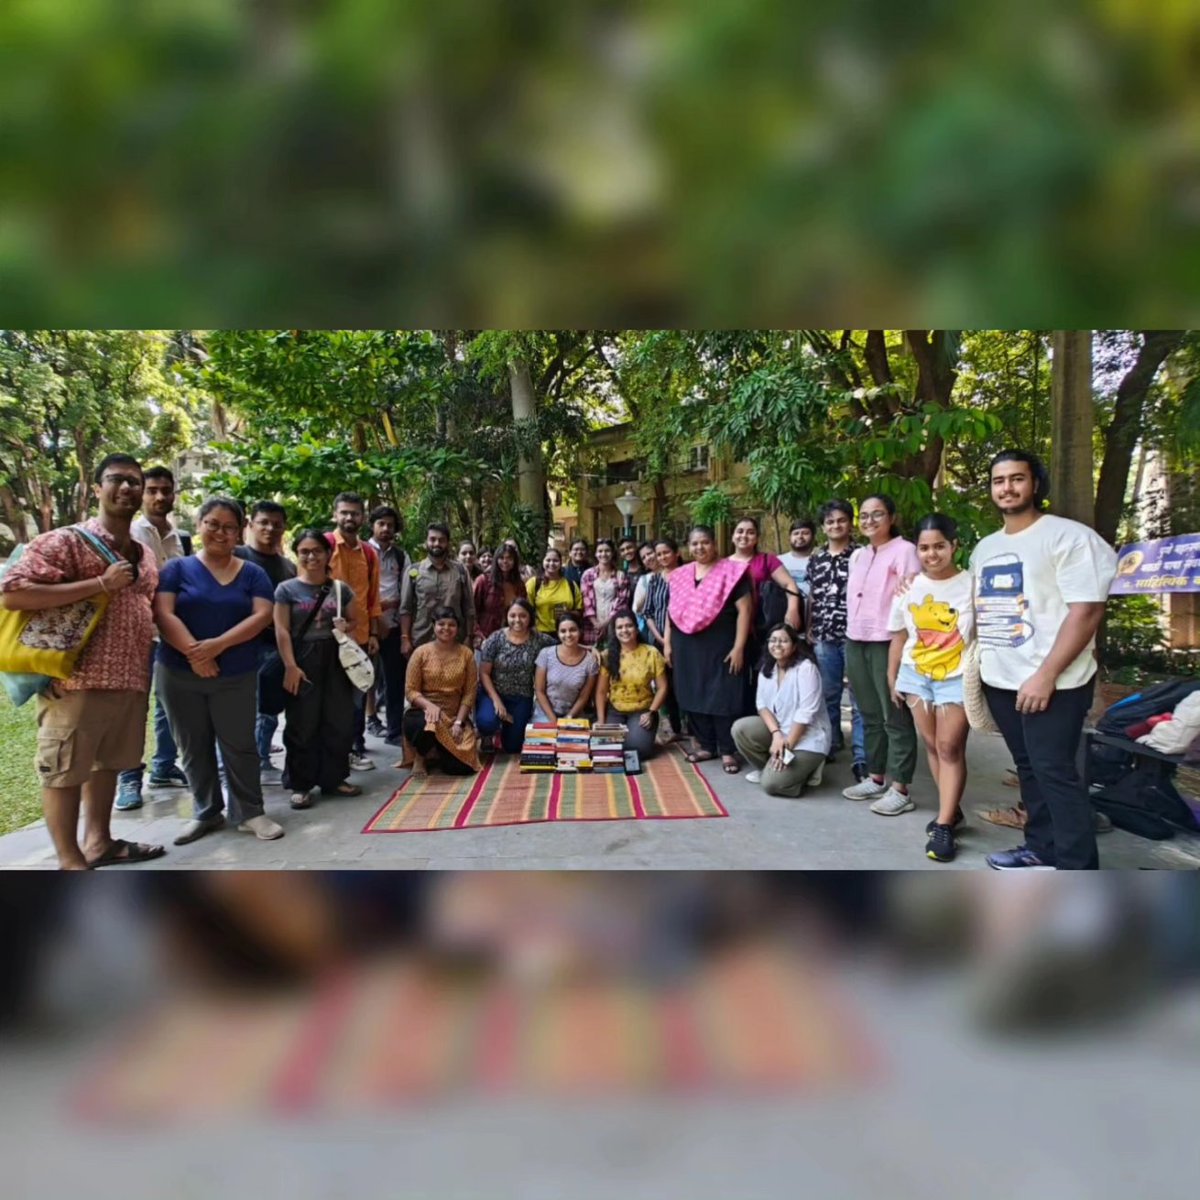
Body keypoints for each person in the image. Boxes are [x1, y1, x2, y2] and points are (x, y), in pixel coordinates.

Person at [1, 453, 165, 869]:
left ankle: (99, 842)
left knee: (106, 765)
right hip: (74, 681)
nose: (126, 488)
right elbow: (13, 593)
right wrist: (99, 584)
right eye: (116, 479)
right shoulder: (67, 541)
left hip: (127, 680)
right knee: (64, 771)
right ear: (97, 488)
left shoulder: (144, 553)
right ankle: (70, 860)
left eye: (134, 482)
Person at [974, 450, 1117, 871]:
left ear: (1035, 483)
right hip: (1002, 681)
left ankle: (1077, 867)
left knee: (1055, 773)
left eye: (1016, 478)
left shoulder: (1070, 538)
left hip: (1055, 682)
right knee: (1028, 769)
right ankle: (1041, 848)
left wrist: (1046, 675)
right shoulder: (986, 547)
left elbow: (1086, 611)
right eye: (998, 480)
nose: (1007, 488)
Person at [155, 497, 283, 845]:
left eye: (229, 527)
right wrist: (195, 654)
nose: (220, 532)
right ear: (199, 525)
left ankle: (250, 812)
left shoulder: (253, 573)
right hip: (178, 673)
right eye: (212, 524)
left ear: (239, 532)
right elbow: (163, 613)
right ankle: (206, 811)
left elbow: (262, 615)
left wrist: (217, 646)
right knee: (192, 745)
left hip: (236, 674)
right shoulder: (176, 569)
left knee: (240, 744)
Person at [886, 514, 974, 863]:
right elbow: (899, 636)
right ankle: (950, 811)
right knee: (933, 745)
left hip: (957, 675)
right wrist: (892, 676)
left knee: (950, 747)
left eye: (939, 546)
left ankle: (943, 825)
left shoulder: (972, 585)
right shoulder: (908, 588)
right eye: (924, 548)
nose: (931, 554)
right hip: (915, 675)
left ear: (954, 546)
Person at [840, 494, 921, 814]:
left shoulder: (905, 551)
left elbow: (911, 598)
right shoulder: (858, 555)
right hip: (855, 638)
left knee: (894, 714)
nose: (869, 520)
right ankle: (875, 778)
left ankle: (900, 788)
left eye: (877, 514)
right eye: (864, 515)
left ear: (892, 518)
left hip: (888, 641)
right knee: (868, 713)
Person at [116, 464, 189, 810]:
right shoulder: (129, 534)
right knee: (133, 707)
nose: (160, 497)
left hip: (171, 635)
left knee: (169, 704)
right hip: (136, 635)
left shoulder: (180, 538)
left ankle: (163, 766)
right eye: (152, 490)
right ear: (142, 494)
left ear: (174, 494)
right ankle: (128, 777)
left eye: (166, 490)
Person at [273, 530, 361, 808]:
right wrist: (290, 665)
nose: (311, 557)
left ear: (327, 554)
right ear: (296, 554)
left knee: (338, 719)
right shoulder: (286, 590)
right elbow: (282, 630)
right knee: (302, 722)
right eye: (305, 551)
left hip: (335, 657)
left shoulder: (341, 589)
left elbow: (354, 620)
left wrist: (346, 627)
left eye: (317, 551)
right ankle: (300, 784)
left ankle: (334, 778)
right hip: (302, 658)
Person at [664, 524, 754, 773]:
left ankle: (727, 750)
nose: (700, 547)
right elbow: (671, 612)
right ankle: (706, 745)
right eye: (694, 543)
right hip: (686, 646)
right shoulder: (680, 575)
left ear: (714, 544)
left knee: (723, 695)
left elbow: (745, 610)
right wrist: (668, 643)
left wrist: (739, 647)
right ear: (688, 547)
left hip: (721, 645)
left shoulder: (732, 572)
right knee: (692, 693)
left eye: (704, 542)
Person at [233, 501, 297, 777]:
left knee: (269, 708)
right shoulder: (236, 556)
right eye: (264, 522)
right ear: (250, 525)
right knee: (236, 709)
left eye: (277, 524)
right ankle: (233, 765)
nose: (270, 529)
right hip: (237, 645)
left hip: (275, 647)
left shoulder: (288, 567)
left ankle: (261, 758)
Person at [732, 623, 831, 797]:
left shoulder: (806, 669)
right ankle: (772, 769)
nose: (777, 645)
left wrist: (787, 747)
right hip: (781, 731)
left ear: (794, 645)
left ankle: (803, 773)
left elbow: (806, 713)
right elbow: (761, 705)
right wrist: (776, 734)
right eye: (773, 640)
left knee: (771, 785)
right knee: (740, 728)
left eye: (784, 641)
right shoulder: (767, 668)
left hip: (808, 737)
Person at [807, 500, 867, 779]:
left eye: (841, 520)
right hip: (823, 635)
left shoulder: (862, 555)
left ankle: (862, 757)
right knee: (828, 694)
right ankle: (829, 744)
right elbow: (813, 596)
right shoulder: (816, 559)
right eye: (830, 522)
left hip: (855, 636)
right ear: (823, 527)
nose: (835, 525)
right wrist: (810, 626)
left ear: (850, 523)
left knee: (858, 697)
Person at [326, 493, 382, 772]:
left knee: (357, 696)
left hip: (358, 638)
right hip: (326, 638)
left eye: (355, 513)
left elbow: (373, 598)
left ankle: (355, 748)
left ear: (363, 518)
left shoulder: (369, 554)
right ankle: (331, 754)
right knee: (329, 699)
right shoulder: (324, 545)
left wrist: (373, 634)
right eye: (345, 512)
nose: (349, 517)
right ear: (335, 514)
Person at [399, 607, 482, 776]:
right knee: (427, 724)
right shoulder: (421, 653)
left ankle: (438, 751)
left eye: (451, 625)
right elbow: (410, 690)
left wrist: (459, 722)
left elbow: (469, 693)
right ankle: (420, 757)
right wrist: (429, 706)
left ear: (457, 628)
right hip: (423, 712)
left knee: (461, 768)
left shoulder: (466, 654)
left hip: (453, 715)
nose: (446, 628)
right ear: (433, 626)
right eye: (441, 624)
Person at [476, 598, 553, 754]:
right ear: (507, 616)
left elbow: (563, 646)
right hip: (493, 693)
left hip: (521, 697)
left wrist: (588, 649)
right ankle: (487, 734)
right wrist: (497, 701)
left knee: (513, 747)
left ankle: (506, 726)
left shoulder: (539, 640)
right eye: (513, 615)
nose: (517, 620)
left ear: (530, 617)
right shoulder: (496, 638)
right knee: (487, 722)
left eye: (523, 616)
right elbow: (484, 673)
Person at [595, 609, 669, 761]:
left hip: (642, 711)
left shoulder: (651, 653)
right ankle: (630, 735)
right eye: (620, 627)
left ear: (636, 628)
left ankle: (637, 735)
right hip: (615, 710)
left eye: (629, 626)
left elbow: (662, 687)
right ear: (615, 631)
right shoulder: (608, 655)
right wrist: (601, 722)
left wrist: (651, 712)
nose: (625, 630)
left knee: (637, 750)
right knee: (604, 748)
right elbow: (601, 692)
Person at [401, 522, 476, 654]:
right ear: (426, 542)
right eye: (432, 539)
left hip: (455, 641)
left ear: (448, 543)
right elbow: (406, 608)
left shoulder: (460, 571)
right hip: (421, 641)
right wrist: (405, 638)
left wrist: (469, 637)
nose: (437, 543)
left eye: (441, 540)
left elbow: (469, 607)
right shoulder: (414, 571)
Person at [367, 505, 408, 745]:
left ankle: (394, 731)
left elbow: (406, 590)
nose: (385, 529)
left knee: (395, 681)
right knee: (365, 678)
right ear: (372, 525)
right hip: (367, 625)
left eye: (390, 525)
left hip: (393, 626)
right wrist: (377, 614)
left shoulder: (400, 556)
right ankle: (365, 726)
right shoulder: (362, 552)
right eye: (381, 524)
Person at [638, 536, 685, 743]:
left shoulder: (687, 575)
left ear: (676, 553)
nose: (662, 557)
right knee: (666, 684)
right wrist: (660, 638)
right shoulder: (655, 579)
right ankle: (674, 727)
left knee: (684, 683)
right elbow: (647, 611)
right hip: (658, 639)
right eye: (659, 554)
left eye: (666, 552)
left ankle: (692, 727)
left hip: (683, 639)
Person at [533, 611, 599, 722]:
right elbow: (539, 691)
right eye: (563, 631)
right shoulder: (546, 654)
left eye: (573, 630)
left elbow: (584, 696)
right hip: (545, 712)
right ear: (558, 633)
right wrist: (553, 720)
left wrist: (568, 718)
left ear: (580, 631)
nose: (568, 635)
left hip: (574, 714)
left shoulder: (590, 661)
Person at [581, 538, 631, 647]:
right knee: (593, 652)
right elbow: (586, 601)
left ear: (612, 553)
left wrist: (605, 623)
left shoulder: (620, 575)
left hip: (614, 621)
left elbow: (622, 602)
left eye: (607, 551)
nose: (603, 554)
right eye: (600, 551)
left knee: (614, 651)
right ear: (595, 554)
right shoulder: (588, 574)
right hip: (592, 622)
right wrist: (596, 624)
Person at [473, 543, 525, 647]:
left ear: (514, 561)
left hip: (511, 639)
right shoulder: (483, 581)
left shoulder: (519, 585)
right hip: (485, 638)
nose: (505, 561)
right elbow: (472, 611)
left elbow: (524, 611)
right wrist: (478, 635)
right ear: (496, 560)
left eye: (509, 558)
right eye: (501, 558)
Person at [526, 547, 583, 636]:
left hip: (566, 633)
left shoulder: (571, 584)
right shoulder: (534, 583)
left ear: (560, 563)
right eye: (548, 560)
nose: (551, 563)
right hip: (540, 633)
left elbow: (580, 611)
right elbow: (526, 609)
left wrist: (568, 612)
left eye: (555, 561)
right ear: (543, 562)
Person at [777, 519, 816, 606]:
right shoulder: (778, 561)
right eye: (796, 533)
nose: (800, 536)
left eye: (805, 533)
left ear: (813, 537)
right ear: (789, 537)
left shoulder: (821, 561)